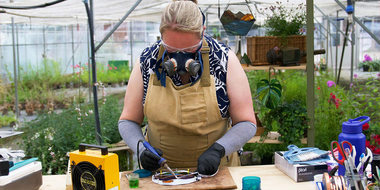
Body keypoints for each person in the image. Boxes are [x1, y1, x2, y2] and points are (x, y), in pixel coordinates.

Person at [118, 0, 256, 175]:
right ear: (161, 35)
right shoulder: (148, 60)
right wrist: (141, 149)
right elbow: (128, 120)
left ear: (202, 32)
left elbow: (246, 122)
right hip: (161, 174)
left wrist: (219, 149)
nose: (180, 57)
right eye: (171, 48)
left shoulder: (223, 60)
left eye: (189, 49)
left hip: (215, 172)